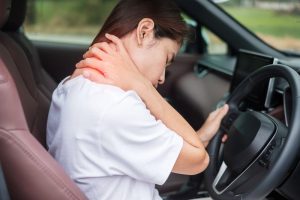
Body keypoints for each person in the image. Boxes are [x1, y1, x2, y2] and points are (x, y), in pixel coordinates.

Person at [46, 0, 229, 200]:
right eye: (166, 59)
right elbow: (199, 161)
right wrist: (141, 86)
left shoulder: (72, 85)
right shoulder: (113, 106)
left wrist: (200, 137)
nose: (161, 78)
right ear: (144, 31)